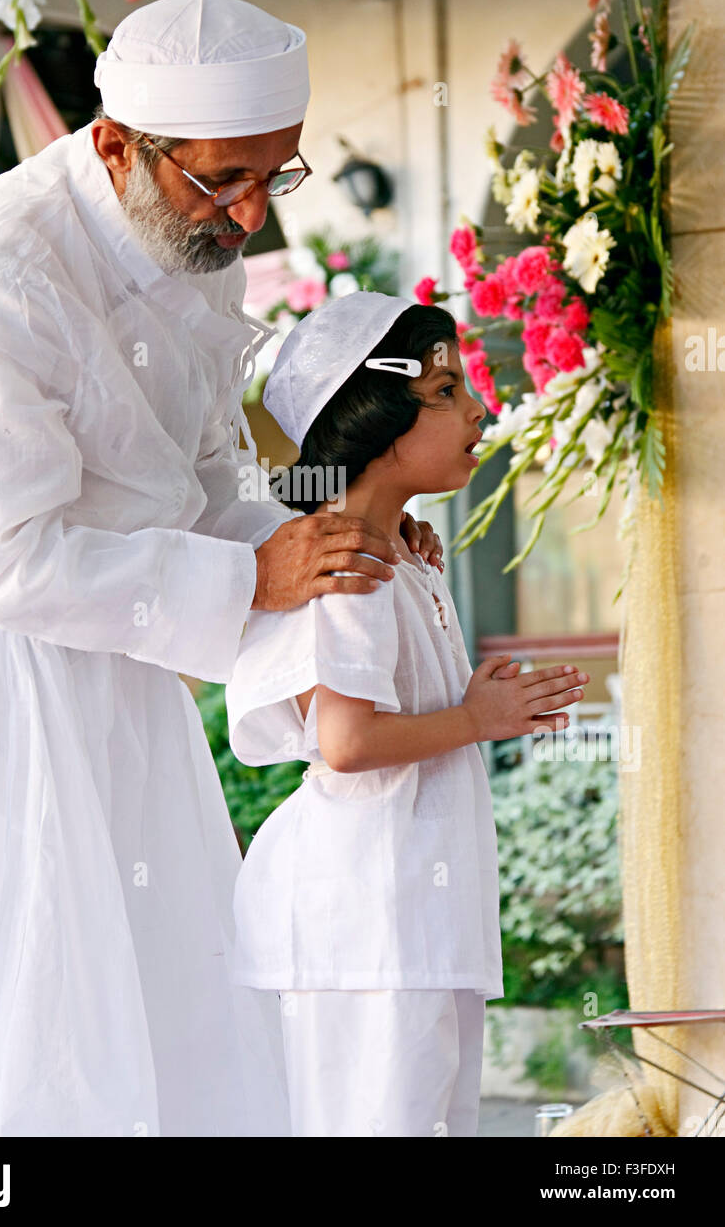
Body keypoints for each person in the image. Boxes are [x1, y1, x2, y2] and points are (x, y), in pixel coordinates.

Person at [0, 0, 441, 1137]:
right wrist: (252, 580)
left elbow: (201, 477)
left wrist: (336, 534)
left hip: (122, 660)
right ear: (117, 144)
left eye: (274, 176)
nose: (249, 216)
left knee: (166, 995)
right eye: (222, 181)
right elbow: (11, 562)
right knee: (18, 1015)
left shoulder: (193, 236)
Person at [225, 292, 590, 1137]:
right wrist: (481, 717)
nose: (478, 409)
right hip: (369, 923)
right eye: (446, 391)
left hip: (409, 917)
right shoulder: (346, 562)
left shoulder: (397, 550)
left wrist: (487, 709)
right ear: (375, 418)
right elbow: (347, 741)